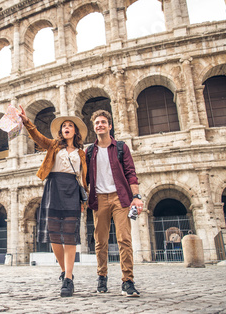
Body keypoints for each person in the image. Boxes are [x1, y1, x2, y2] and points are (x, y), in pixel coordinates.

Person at [19, 106, 88, 297]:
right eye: (64, 125)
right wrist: (27, 122)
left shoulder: (82, 153)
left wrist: (84, 200)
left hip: (72, 190)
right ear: (61, 131)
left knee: (70, 235)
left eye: (70, 125)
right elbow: (38, 138)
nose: (66, 127)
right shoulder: (53, 146)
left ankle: (68, 278)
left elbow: (84, 177)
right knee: (54, 235)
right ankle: (63, 269)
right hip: (53, 187)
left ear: (76, 131)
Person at [86, 110, 144, 297]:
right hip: (99, 198)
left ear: (110, 126)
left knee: (124, 239)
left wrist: (137, 197)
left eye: (103, 122)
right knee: (100, 241)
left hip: (120, 197)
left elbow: (130, 172)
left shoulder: (120, 147)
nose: (100, 125)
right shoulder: (89, 151)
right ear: (94, 127)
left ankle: (128, 281)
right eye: (97, 123)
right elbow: (85, 177)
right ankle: (102, 277)